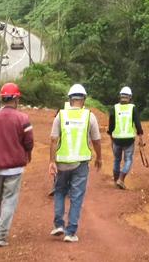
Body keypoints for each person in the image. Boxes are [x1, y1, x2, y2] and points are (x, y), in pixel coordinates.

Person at [0, 82, 34, 248]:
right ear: (16, 99)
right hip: (15, 168)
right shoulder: (23, 119)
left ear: (2, 99)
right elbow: (29, 142)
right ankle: (1, 235)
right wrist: (28, 154)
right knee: (9, 201)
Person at [49, 83, 102, 243]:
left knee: (59, 191)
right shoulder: (89, 116)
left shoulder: (61, 115)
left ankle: (59, 224)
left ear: (70, 99)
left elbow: (53, 139)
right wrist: (99, 157)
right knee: (77, 196)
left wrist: (51, 161)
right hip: (80, 163)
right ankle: (70, 232)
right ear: (83, 99)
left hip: (62, 162)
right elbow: (96, 140)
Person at [109, 85, 145, 189]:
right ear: (130, 97)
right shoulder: (132, 108)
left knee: (116, 159)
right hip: (129, 139)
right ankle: (121, 179)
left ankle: (116, 181)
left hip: (116, 139)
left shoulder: (115, 108)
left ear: (120, 96)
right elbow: (137, 123)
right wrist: (140, 137)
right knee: (128, 159)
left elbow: (111, 123)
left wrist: (111, 134)